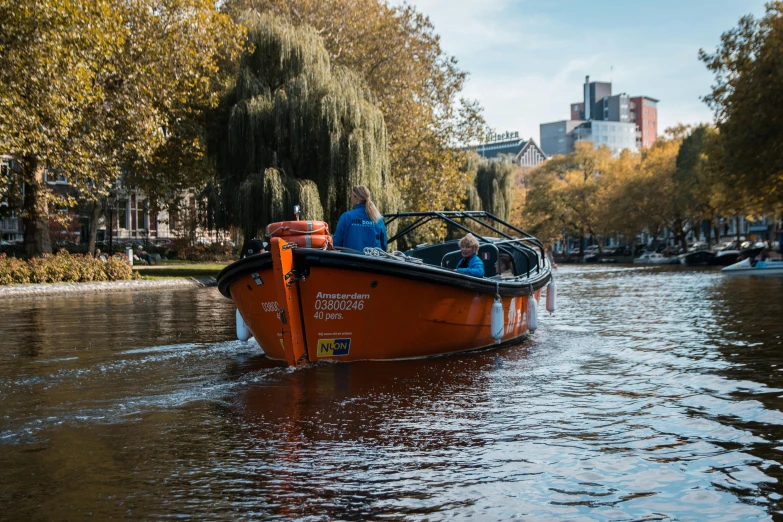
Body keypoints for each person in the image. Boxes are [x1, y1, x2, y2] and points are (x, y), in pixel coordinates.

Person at [333, 185, 387, 251]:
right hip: (373, 260)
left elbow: (336, 243)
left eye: (352, 196)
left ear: (356, 199)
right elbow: (384, 246)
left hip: (349, 260)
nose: (351, 199)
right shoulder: (378, 218)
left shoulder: (346, 217)